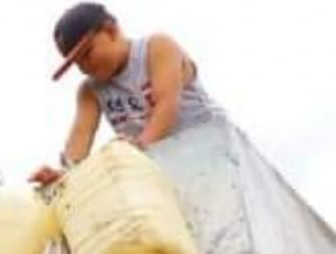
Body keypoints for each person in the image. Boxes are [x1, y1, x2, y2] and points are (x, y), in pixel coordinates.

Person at [31, 3, 224, 186]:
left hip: (213, 154)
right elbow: (79, 139)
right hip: (164, 170)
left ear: (111, 30)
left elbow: (166, 106)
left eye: (88, 53)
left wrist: (136, 151)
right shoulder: (90, 91)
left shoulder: (157, 48)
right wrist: (64, 176)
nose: (85, 67)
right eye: (78, 63)